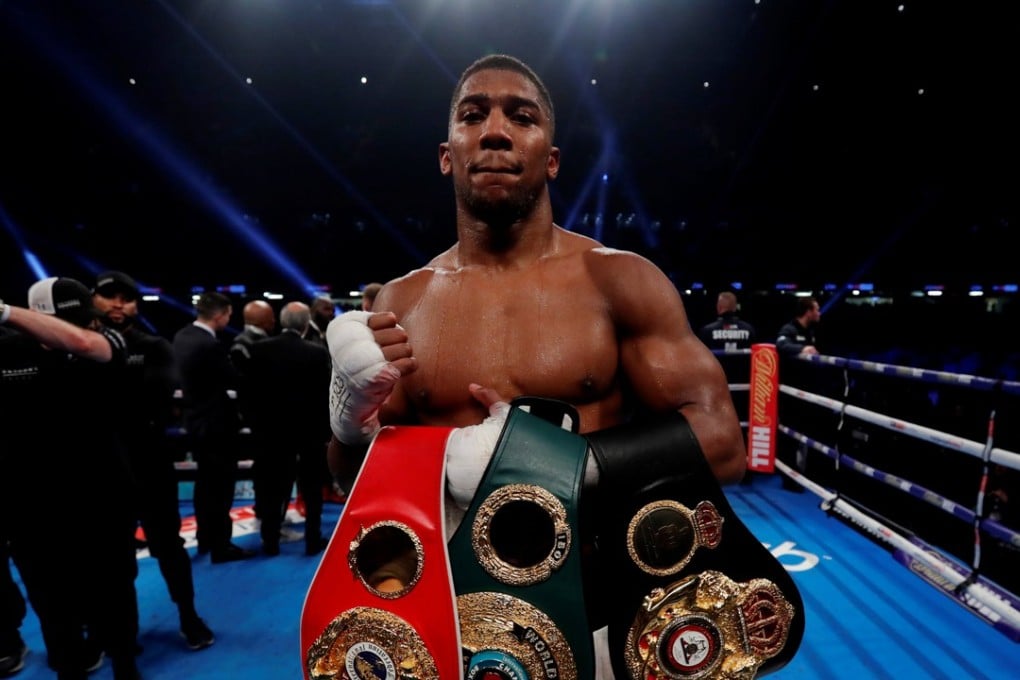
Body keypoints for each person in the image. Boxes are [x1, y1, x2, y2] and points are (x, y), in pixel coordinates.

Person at [323, 54, 745, 679]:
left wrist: (539, 463)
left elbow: (722, 442)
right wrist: (349, 417)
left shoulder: (617, 280)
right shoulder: (402, 300)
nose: (495, 130)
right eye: (474, 115)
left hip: (599, 609)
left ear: (550, 158)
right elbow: (350, 484)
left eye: (521, 116)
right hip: (451, 620)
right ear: (448, 154)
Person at [1, 279, 143, 680]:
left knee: (113, 592)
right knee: (51, 604)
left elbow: (82, 343)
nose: (83, 326)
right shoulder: (8, 349)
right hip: (31, 504)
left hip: (102, 496)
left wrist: (5, 311)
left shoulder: (105, 340)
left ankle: (125, 664)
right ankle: (70, 664)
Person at [91, 271, 215, 651]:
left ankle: (188, 617)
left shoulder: (154, 345)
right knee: (111, 556)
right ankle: (119, 630)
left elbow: (162, 400)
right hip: (101, 469)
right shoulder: (79, 346)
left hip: (149, 465)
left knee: (169, 547)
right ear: (93, 300)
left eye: (126, 298)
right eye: (109, 296)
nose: (118, 304)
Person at [172, 292, 255, 564]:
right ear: (220, 315)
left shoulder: (182, 336)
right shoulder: (209, 344)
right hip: (216, 427)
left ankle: (207, 539)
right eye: (228, 315)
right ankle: (222, 547)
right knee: (220, 489)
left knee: (204, 485)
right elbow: (233, 379)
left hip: (195, 423)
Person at [243, 302, 332, 556]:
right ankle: (312, 539)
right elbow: (324, 396)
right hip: (308, 433)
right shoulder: (315, 353)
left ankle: (270, 542)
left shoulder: (258, 350)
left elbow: (249, 394)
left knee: (273, 488)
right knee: (312, 488)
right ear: (306, 324)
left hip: (272, 433)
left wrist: (256, 425)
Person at [228, 299, 275, 374]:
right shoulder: (241, 346)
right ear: (263, 320)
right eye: (271, 317)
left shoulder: (268, 341)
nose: (273, 320)